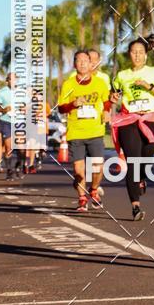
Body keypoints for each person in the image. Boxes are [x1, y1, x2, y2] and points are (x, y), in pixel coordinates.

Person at [111, 35, 154, 221]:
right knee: (133, 162)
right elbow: (114, 94)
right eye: (133, 52)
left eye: (140, 52)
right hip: (128, 121)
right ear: (129, 55)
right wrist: (113, 97)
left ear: (146, 55)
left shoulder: (153, 72)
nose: (137, 55)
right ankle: (135, 206)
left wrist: (149, 86)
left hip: (149, 120)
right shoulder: (122, 75)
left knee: (145, 159)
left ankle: (142, 177)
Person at [58, 50, 111, 213]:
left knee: (98, 167)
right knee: (79, 171)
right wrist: (73, 104)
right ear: (74, 64)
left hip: (95, 131)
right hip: (76, 133)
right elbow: (61, 108)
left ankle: (94, 190)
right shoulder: (69, 84)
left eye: (85, 60)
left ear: (90, 64)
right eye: (78, 61)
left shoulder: (100, 83)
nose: (82, 63)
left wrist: (107, 111)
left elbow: (106, 101)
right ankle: (82, 198)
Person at [0, 73, 15, 180]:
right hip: (6, 121)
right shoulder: (2, 92)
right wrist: (4, 109)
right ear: (7, 81)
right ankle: (9, 170)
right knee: (8, 147)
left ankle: (21, 165)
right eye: (12, 79)